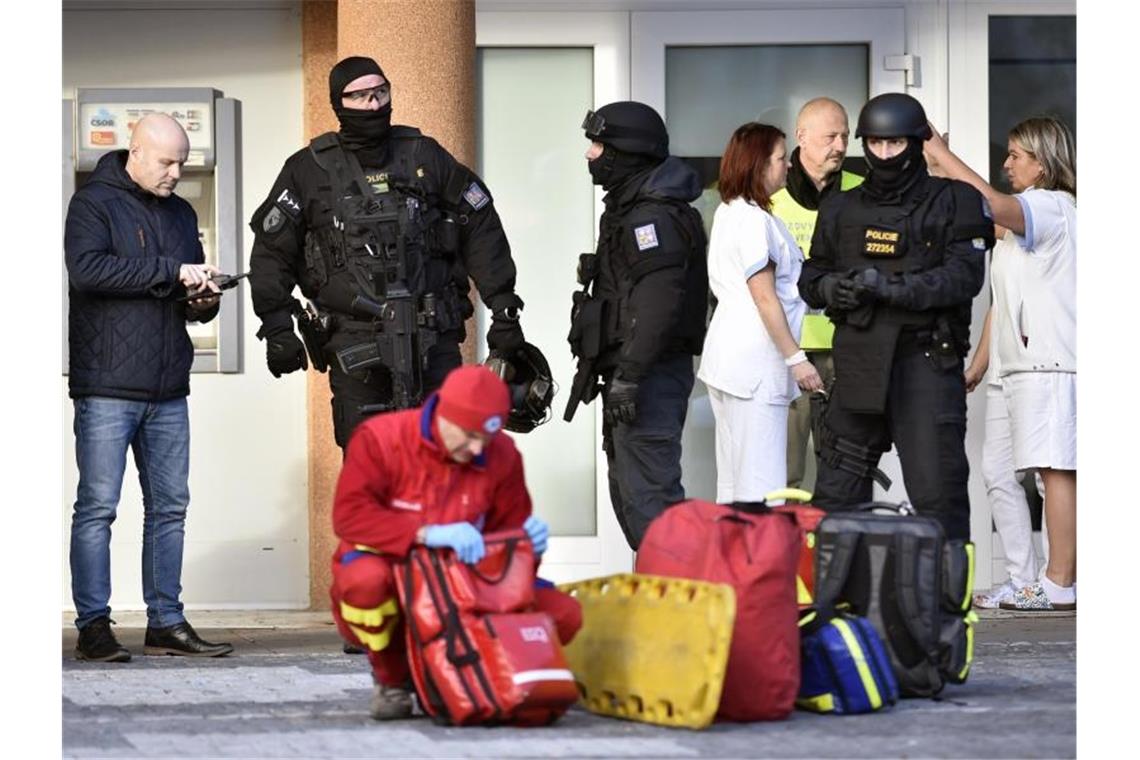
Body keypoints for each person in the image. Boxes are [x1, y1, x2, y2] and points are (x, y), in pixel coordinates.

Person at [249, 56, 528, 450]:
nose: (374, 105)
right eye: (360, 97)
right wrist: (277, 326)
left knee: (448, 460)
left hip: (431, 337)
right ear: (338, 102)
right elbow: (271, 253)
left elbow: (479, 223)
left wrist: (503, 307)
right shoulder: (307, 170)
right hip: (354, 341)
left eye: (381, 92)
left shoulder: (424, 156)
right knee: (372, 467)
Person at [65, 113, 233, 661]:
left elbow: (180, 297)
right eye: (166, 162)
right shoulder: (92, 204)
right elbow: (88, 271)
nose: (176, 173)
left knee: (170, 508)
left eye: (183, 162)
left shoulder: (183, 213)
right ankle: (94, 627)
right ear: (134, 152)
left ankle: (166, 621)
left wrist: (202, 298)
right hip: (107, 385)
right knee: (98, 507)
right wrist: (172, 271)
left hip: (168, 385)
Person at [329, 365, 582, 720]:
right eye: (469, 434)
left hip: (467, 582)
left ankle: (483, 675)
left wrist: (527, 547)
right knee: (366, 585)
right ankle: (393, 679)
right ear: (443, 414)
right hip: (396, 570)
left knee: (564, 615)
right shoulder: (381, 439)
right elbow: (349, 517)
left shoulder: (502, 454)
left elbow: (510, 540)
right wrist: (425, 533)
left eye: (487, 438)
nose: (477, 447)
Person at [797, 93, 992, 542]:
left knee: (937, 496)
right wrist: (831, 288)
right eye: (876, 145)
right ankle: (839, 604)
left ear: (918, 142)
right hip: (859, 364)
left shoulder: (955, 200)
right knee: (836, 500)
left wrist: (890, 288)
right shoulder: (841, 206)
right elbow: (812, 275)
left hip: (924, 362)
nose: (884, 155)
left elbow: (963, 279)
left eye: (895, 145)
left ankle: (942, 609)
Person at [925, 116, 1076, 610]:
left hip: (1047, 365)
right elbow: (1001, 300)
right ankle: (1024, 578)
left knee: (1054, 470)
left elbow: (986, 201)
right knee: (997, 471)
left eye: (1016, 156)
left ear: (1042, 163)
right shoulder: (1022, 223)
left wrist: (937, 150)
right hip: (1012, 369)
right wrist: (980, 363)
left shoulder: (1051, 207)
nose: (1006, 163)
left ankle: (1057, 582)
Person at [564, 101, 708, 550]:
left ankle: (682, 608)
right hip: (634, 373)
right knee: (632, 497)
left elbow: (658, 301)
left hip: (648, 376)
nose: (590, 153)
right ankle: (661, 602)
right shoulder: (631, 207)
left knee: (652, 503)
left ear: (628, 151)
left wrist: (631, 374)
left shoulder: (653, 215)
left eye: (599, 144)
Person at [698, 122, 823, 504]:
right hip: (756, 367)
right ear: (758, 165)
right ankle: (759, 564)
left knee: (734, 486)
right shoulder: (753, 220)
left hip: (728, 361)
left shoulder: (730, 211)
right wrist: (797, 360)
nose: (788, 166)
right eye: (781, 158)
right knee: (762, 489)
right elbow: (765, 296)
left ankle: (730, 563)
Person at [770, 98, 863, 490]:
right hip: (789, 353)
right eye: (830, 136)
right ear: (802, 136)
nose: (840, 145)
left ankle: (835, 552)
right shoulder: (770, 196)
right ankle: (785, 551)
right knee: (784, 474)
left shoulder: (864, 191)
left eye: (844, 135)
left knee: (843, 471)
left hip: (848, 351)